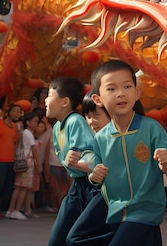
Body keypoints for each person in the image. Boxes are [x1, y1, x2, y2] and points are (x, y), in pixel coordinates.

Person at [90, 60, 167, 246]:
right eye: (111, 89)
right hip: (115, 212)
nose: (121, 93)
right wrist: (94, 176)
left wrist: (165, 165)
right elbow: (96, 175)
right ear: (98, 99)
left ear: (137, 92)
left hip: (146, 210)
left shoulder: (151, 128)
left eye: (127, 86)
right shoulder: (100, 138)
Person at [45, 77, 112, 246]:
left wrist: (76, 164)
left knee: (78, 238)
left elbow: (89, 157)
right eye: (88, 116)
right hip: (78, 186)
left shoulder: (75, 121)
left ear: (65, 102)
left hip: (95, 188)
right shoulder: (56, 127)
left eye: (49, 95)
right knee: (59, 238)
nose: (45, 100)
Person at [6, 112, 42, 220]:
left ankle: (11, 209)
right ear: (28, 122)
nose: (36, 124)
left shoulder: (24, 133)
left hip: (23, 160)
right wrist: (39, 164)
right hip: (28, 161)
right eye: (34, 121)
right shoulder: (28, 133)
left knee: (19, 186)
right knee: (23, 187)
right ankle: (16, 210)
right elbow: (34, 150)